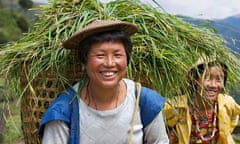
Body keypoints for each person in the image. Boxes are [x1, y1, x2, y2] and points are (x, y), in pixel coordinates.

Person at [38, 19, 169, 144]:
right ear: (84, 62)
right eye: (100, 56)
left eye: (117, 55)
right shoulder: (64, 110)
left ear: (127, 60)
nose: (110, 63)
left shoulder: (145, 101)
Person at [163, 56, 240, 144]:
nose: (213, 85)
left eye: (219, 79)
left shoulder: (228, 104)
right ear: (195, 79)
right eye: (207, 78)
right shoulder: (175, 106)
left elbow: (233, 119)